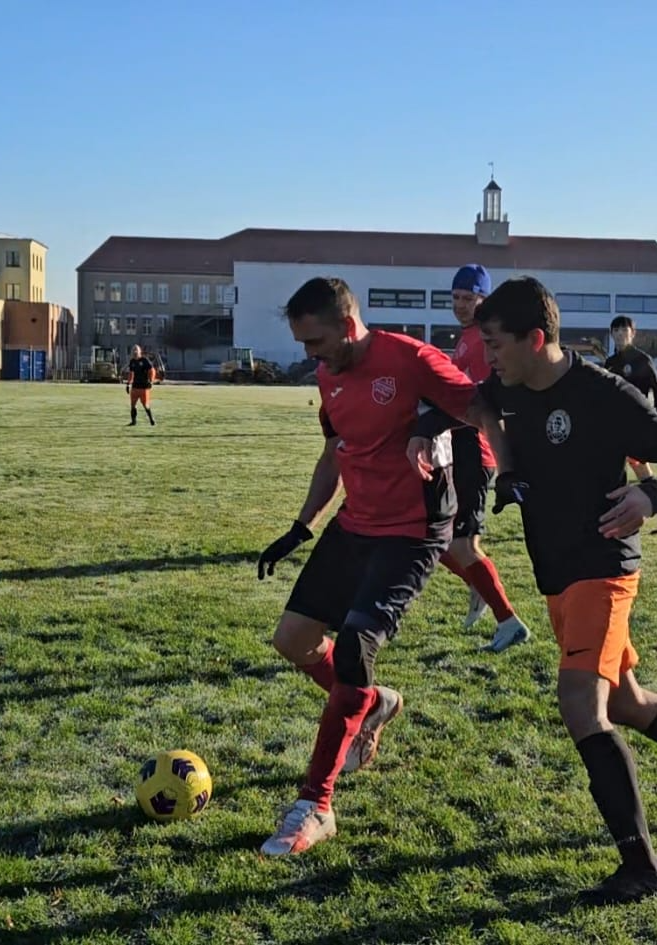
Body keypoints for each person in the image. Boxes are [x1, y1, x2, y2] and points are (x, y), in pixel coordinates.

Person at [460, 276, 657, 903]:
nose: (487, 356)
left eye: (494, 344)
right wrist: (504, 464)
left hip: (605, 566)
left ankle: (643, 867)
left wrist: (651, 493)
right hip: (556, 570)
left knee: (582, 705)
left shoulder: (604, 394)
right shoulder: (507, 387)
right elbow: (480, 404)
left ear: (535, 338)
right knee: (626, 700)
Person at [252, 276, 478, 856]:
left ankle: (316, 804)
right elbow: (335, 453)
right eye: (303, 343)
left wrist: (430, 428)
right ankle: (372, 703)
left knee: (354, 647)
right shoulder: (328, 377)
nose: (310, 355)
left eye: (317, 341)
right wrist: (301, 526)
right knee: (293, 639)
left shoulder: (408, 358)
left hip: (414, 531)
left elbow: (480, 403)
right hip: (356, 522)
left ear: (348, 326)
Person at [440, 264, 531, 652]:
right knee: (435, 538)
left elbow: (485, 396)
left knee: (459, 545)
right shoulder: (466, 337)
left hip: (474, 450)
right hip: (457, 446)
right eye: (456, 297)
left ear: (483, 299)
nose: (461, 305)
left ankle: (509, 622)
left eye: (469, 298)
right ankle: (479, 585)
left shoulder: (483, 339)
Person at [603, 316, 657, 535]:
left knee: (641, 473)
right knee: (619, 472)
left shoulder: (641, 360)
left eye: (624, 329)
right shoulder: (610, 362)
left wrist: (655, 416)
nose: (620, 333)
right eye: (616, 330)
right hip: (611, 426)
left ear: (632, 333)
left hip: (633, 428)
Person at [125, 345, 157, 426]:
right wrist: (128, 384)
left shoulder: (144, 360)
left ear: (140, 351)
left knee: (145, 405)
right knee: (133, 405)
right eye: (133, 350)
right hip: (135, 386)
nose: (135, 352)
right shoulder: (132, 361)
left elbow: (152, 370)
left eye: (136, 350)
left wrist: (151, 381)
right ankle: (133, 421)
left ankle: (151, 420)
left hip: (144, 386)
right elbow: (131, 374)